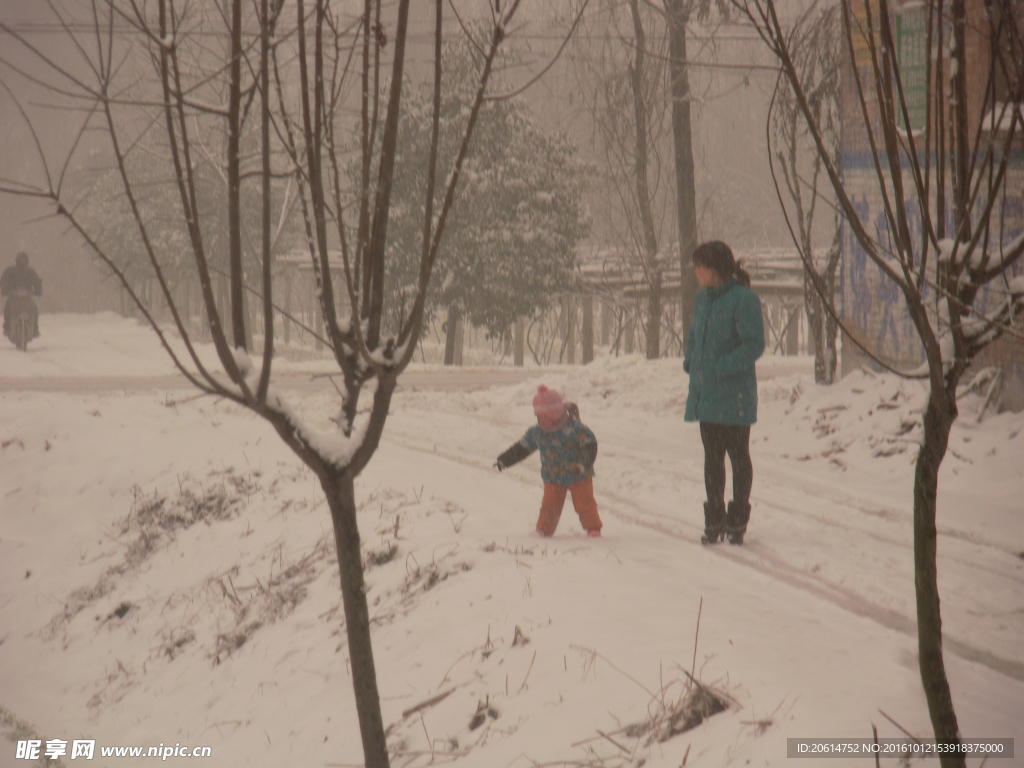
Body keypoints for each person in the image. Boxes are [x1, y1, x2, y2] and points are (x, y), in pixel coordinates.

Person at [683, 241, 764, 545]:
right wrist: (692, 362)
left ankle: (738, 519)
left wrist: (720, 366)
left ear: (715, 268)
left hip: (735, 396)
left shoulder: (744, 300)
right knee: (712, 459)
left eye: (700, 265)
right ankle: (714, 519)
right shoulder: (702, 300)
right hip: (708, 395)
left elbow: (753, 344)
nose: (696, 271)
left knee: (738, 457)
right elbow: (693, 337)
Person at [495, 385, 603, 538]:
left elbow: (590, 445)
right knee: (549, 506)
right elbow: (522, 447)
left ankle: (593, 529)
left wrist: (582, 463)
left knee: (585, 504)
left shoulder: (576, 430)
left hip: (579, 474)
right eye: (537, 416)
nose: (539, 420)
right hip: (553, 477)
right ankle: (543, 531)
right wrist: (504, 460)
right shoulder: (537, 432)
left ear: (556, 414)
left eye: (543, 416)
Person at [1, 251, 43, 341]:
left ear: (27, 261)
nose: (22, 261)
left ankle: (35, 328)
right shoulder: (10, 271)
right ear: (16, 260)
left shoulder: (30, 272)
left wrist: (37, 291)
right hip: (13, 298)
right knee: (8, 308)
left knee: (34, 309)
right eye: (20, 260)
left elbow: (37, 282)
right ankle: (7, 327)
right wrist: (7, 291)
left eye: (24, 260)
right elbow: (3, 281)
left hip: (27, 298)